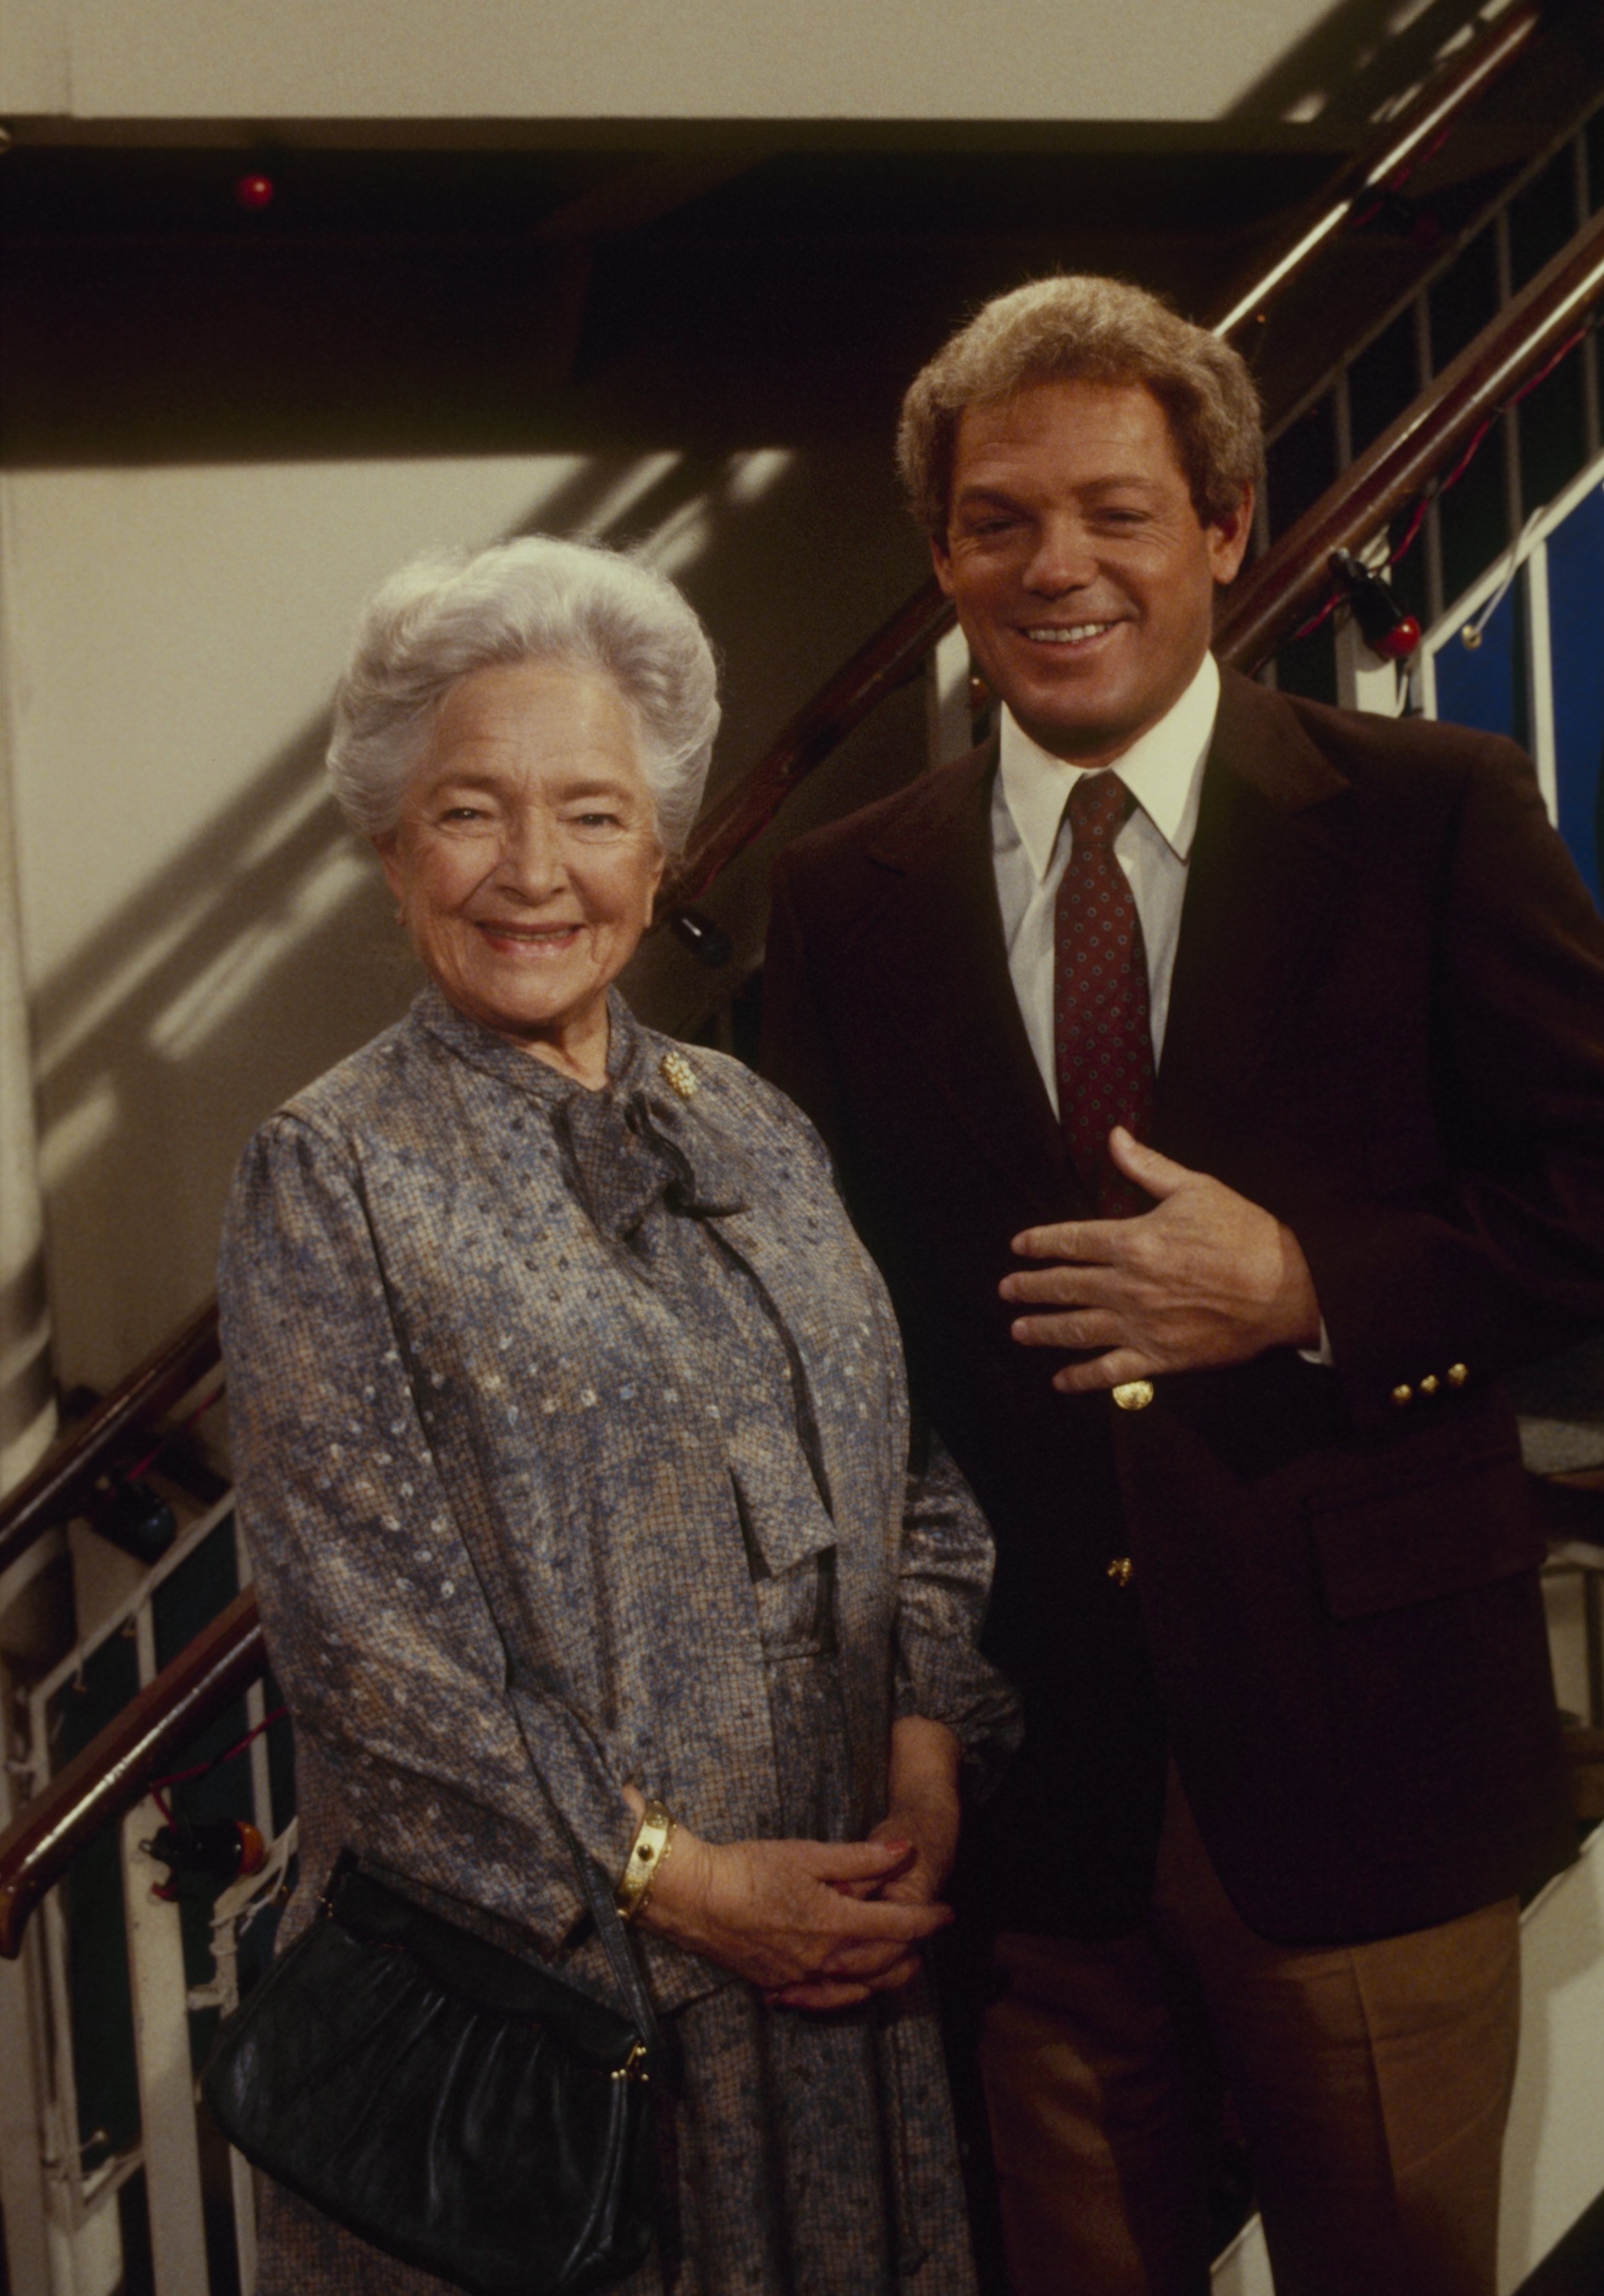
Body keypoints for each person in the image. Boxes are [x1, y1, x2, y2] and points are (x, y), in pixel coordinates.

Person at [761, 274, 1604, 2296]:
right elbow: (835, 1353)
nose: (1055, 567)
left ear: (1220, 527)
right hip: (1029, 1818)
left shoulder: (1426, 820)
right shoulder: (839, 897)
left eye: (1114, 510)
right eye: (996, 521)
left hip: (1365, 1777)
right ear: (943, 554)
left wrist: (1315, 1279)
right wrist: (903, 1711)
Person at [217, 534, 1020, 2296]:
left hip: (834, 1952)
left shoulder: (751, 1121)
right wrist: (682, 1883)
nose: (531, 873)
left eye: (589, 815)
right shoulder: (330, 1174)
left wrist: (925, 1744)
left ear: (659, 853)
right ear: (387, 844)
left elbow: (913, 1477)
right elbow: (369, 1667)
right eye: (467, 813)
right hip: (563, 2009)